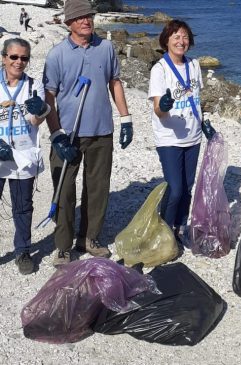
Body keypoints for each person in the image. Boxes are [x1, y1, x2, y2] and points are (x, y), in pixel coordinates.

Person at [43, 0, 133, 267]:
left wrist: (126, 118)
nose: (86, 20)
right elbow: (49, 96)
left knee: (97, 190)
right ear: (69, 22)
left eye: (89, 16)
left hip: (101, 131)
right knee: (64, 191)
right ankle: (62, 246)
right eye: (80, 17)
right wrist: (56, 134)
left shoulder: (105, 47)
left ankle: (89, 239)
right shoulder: (57, 54)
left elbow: (114, 82)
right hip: (68, 135)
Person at [148, 19, 216, 248]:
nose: (181, 41)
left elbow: (196, 99)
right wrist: (164, 106)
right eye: (176, 36)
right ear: (166, 40)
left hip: (193, 136)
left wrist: (204, 122)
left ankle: (179, 227)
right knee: (174, 188)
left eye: (185, 36)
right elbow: (158, 109)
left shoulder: (194, 65)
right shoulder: (160, 69)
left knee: (187, 187)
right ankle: (164, 232)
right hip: (169, 137)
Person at [0, 38, 50, 274]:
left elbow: (34, 122)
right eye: (14, 57)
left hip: (23, 155)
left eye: (24, 58)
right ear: (4, 57)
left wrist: (40, 111)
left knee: (23, 207)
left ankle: (22, 251)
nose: (19, 62)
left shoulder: (33, 86)